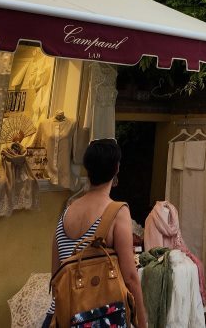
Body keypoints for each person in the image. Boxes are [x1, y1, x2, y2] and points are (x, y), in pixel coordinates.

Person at [42, 138, 147, 328]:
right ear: (116, 169)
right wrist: (142, 323)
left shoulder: (67, 211)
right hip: (98, 318)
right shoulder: (117, 211)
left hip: (61, 318)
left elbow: (56, 277)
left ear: (87, 170)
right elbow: (131, 278)